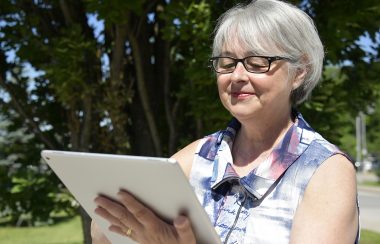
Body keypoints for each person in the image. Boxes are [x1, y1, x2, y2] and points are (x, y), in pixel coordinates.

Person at [91, 0, 359, 243]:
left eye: (256, 62)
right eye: (227, 63)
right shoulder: (200, 156)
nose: (237, 76)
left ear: (299, 72)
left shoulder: (324, 170)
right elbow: (103, 231)